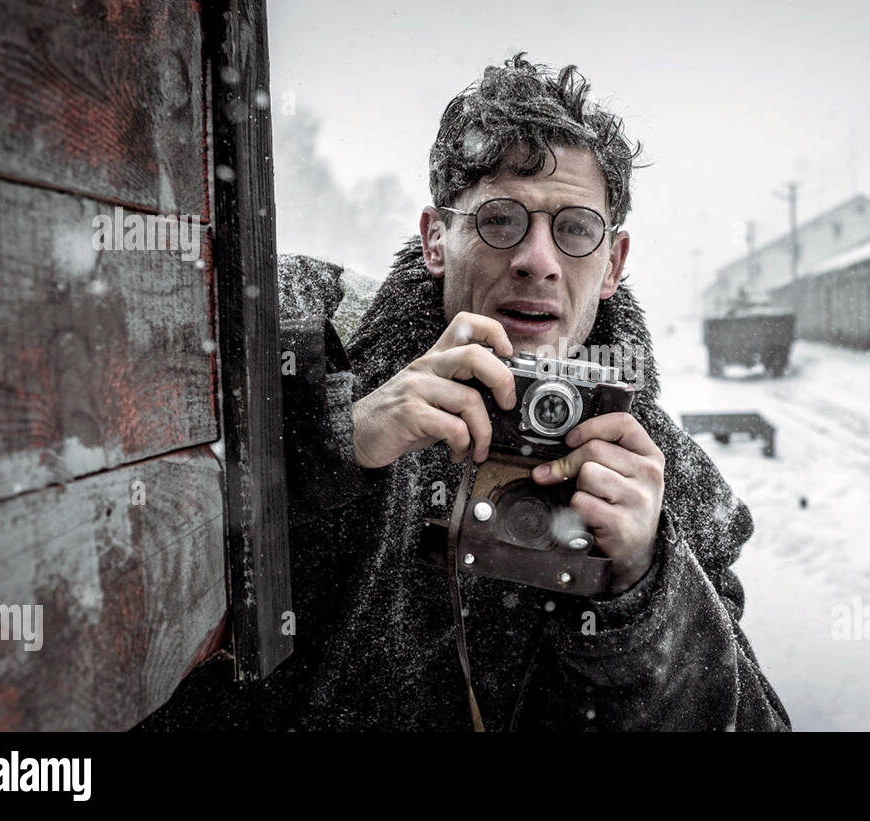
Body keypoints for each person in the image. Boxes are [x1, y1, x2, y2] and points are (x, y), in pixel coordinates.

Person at [141, 53, 789, 732]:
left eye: (574, 229)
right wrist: (333, 440)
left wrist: (642, 587)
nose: (537, 260)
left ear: (612, 265)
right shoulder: (316, 350)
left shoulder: (662, 477)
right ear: (435, 240)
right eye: (500, 220)